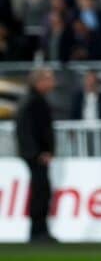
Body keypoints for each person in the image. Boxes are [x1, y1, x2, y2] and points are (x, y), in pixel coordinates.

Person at [15, 67, 57, 243]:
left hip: (36, 154)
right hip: (36, 155)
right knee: (40, 191)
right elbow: (27, 131)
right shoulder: (33, 101)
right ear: (39, 82)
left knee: (42, 191)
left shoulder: (33, 100)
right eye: (49, 79)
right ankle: (38, 232)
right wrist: (38, 153)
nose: (53, 83)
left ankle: (40, 230)